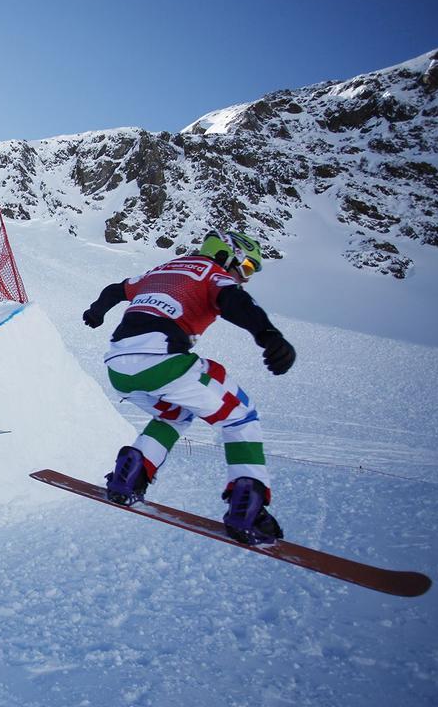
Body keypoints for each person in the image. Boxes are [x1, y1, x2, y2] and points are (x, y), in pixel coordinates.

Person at [82, 231, 296, 545]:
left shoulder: (161, 271)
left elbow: (116, 289)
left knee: (174, 416)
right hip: (162, 362)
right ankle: (247, 511)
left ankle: (131, 476)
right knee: (240, 417)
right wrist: (269, 336)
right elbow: (235, 301)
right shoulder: (214, 273)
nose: (246, 277)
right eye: (247, 266)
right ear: (227, 253)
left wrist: (96, 311)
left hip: (118, 368)